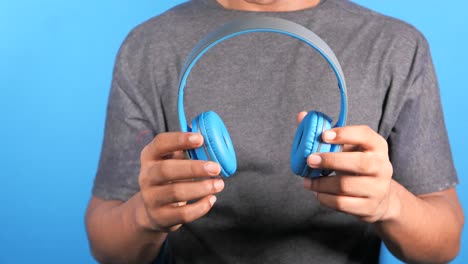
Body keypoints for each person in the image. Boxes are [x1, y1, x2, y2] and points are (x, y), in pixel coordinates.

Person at [85, 0, 464, 263]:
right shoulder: (148, 47)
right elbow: (106, 242)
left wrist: (389, 204)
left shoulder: (396, 47)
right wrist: (144, 218)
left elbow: (444, 243)